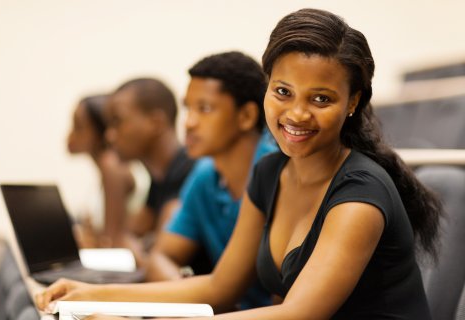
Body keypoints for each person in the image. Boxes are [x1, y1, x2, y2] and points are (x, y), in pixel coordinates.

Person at [36, 8, 442, 319]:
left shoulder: (360, 195)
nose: (297, 114)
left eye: (321, 99)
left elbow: (298, 314)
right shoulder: (269, 174)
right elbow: (220, 287)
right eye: (283, 92)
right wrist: (88, 292)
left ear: (352, 102)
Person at [145, 51, 277, 309]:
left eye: (204, 109)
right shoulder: (205, 174)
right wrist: (183, 295)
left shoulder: (278, 171)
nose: (189, 123)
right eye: (188, 108)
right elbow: (161, 254)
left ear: (246, 116)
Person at [105, 78, 196, 240]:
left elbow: (155, 256)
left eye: (117, 121)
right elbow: (128, 236)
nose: (110, 135)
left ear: (156, 123)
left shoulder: (190, 173)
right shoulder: (160, 177)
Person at [67, 94, 144, 248]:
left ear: (100, 131)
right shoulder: (106, 168)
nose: (70, 135)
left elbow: (112, 242)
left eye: (79, 127)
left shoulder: (112, 166)